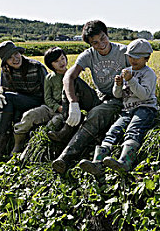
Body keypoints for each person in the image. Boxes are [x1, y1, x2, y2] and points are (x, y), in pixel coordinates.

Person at [51, 20, 129, 174]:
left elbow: (142, 71)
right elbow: (68, 77)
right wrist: (73, 103)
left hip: (118, 98)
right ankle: (68, 127)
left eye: (103, 38)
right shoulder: (89, 55)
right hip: (99, 95)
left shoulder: (123, 51)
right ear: (90, 45)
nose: (101, 44)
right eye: (95, 42)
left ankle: (65, 157)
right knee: (73, 83)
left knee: (95, 114)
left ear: (107, 34)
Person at [80, 38, 158, 176]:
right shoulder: (126, 71)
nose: (133, 60)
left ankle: (125, 162)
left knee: (133, 129)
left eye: (137, 58)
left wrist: (131, 80)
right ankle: (97, 164)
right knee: (113, 131)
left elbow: (144, 95)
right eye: (130, 57)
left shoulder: (148, 73)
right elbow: (117, 95)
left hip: (145, 108)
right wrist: (118, 85)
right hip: (127, 109)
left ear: (147, 58)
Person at [0, 41, 47, 159]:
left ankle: (0, 147)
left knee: (8, 97)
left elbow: (47, 91)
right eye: (10, 58)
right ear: (5, 61)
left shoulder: (36, 67)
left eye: (16, 54)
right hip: (17, 100)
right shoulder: (6, 69)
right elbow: (5, 87)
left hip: (36, 100)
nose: (15, 59)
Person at [10, 47, 68, 154]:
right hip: (49, 108)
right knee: (29, 115)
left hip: (65, 111)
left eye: (62, 59)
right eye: (56, 61)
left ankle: (34, 148)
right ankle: (18, 145)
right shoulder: (49, 78)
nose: (61, 63)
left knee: (53, 124)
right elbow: (47, 98)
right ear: (50, 65)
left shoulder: (72, 75)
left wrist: (64, 109)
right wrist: (56, 107)